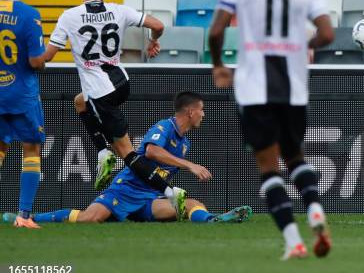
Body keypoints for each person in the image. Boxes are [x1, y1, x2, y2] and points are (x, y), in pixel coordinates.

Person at [208, 0, 335, 260]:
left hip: (254, 88)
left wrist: (218, 64)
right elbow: (327, 34)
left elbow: (217, 30)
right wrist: (301, 45)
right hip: (293, 87)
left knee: (268, 168)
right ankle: (315, 212)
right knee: (295, 158)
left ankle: (294, 242)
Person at [43, 0, 188, 218]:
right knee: (80, 101)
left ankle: (170, 191)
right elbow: (158, 24)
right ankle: (102, 153)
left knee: (129, 154)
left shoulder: (69, 16)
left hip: (101, 93)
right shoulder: (119, 10)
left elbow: (47, 56)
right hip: (122, 84)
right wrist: (153, 41)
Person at [3, 92, 252, 224]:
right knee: (90, 219)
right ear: (190, 111)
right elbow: (151, 152)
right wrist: (189, 165)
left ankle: (212, 220)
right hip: (125, 190)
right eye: (202, 110)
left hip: (148, 199)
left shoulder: (184, 142)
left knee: (189, 204)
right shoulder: (164, 127)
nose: (204, 115)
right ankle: (29, 218)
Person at [0, 0, 48, 228]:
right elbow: (35, 61)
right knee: (31, 149)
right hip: (22, 95)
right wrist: (46, 56)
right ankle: (24, 216)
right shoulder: (30, 15)